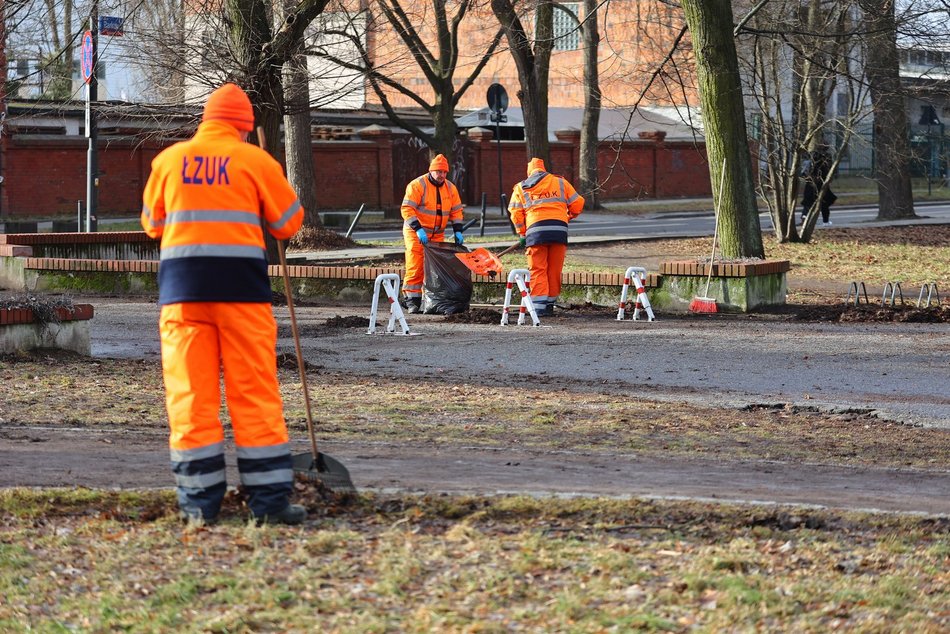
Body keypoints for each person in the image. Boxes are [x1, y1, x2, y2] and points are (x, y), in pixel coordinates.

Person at [141, 83, 307, 526]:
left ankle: (199, 504)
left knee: (190, 395)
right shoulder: (255, 160)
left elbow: (152, 225)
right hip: (243, 297)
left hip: (182, 297)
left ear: (205, 121)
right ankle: (269, 505)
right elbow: (289, 223)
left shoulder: (167, 161)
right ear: (245, 127)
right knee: (254, 394)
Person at [508, 158, 585, 316]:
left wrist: (522, 233)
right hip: (559, 231)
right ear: (544, 170)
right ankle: (550, 304)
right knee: (554, 268)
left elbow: (515, 213)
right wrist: (567, 216)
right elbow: (578, 204)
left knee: (538, 269)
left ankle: (539, 307)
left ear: (529, 172)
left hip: (536, 232)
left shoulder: (521, 187)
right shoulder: (560, 182)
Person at [400, 153, 465, 313]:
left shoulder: (450, 188)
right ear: (431, 171)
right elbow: (407, 208)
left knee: (433, 268)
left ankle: (428, 300)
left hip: (436, 234)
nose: (442, 175)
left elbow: (456, 211)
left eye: (444, 172)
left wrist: (458, 231)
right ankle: (411, 300)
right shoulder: (417, 185)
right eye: (439, 172)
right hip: (416, 232)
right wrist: (418, 228)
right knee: (416, 264)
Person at [800, 147, 837, 226]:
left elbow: (804, 173)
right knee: (824, 203)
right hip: (822, 184)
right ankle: (825, 221)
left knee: (808, 202)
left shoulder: (810, 159)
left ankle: (805, 215)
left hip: (810, 183)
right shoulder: (826, 159)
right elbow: (829, 171)